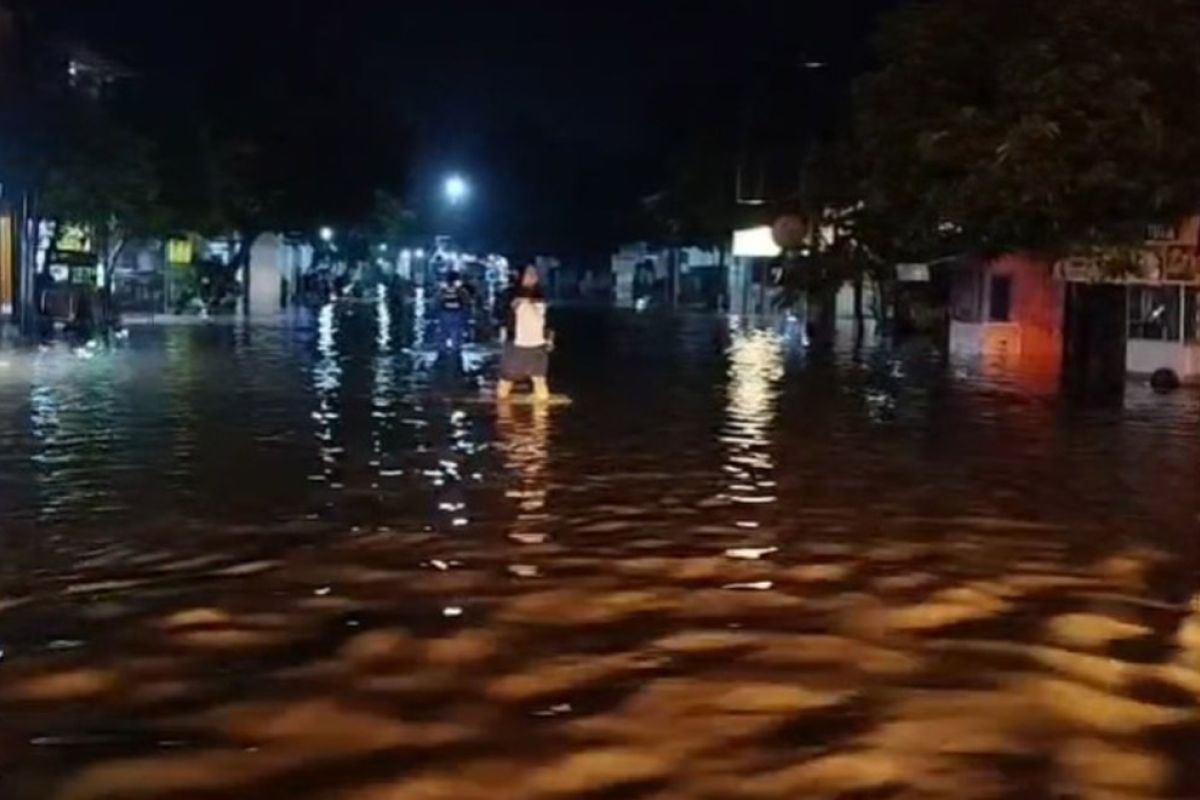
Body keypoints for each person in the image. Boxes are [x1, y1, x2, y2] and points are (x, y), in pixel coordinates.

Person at [497, 264, 553, 401]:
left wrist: (550, 339)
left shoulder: (541, 295)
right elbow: (504, 317)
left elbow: (548, 321)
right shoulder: (511, 295)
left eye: (534, 274)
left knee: (539, 381)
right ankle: (503, 414)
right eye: (528, 274)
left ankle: (540, 419)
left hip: (538, 345)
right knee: (506, 382)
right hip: (517, 345)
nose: (532, 277)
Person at [438, 270, 472, 350]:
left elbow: (438, 301)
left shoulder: (443, 290)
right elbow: (466, 301)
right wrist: (466, 314)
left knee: (444, 332)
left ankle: (442, 349)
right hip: (457, 314)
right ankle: (455, 349)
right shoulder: (460, 290)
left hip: (445, 314)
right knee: (456, 332)